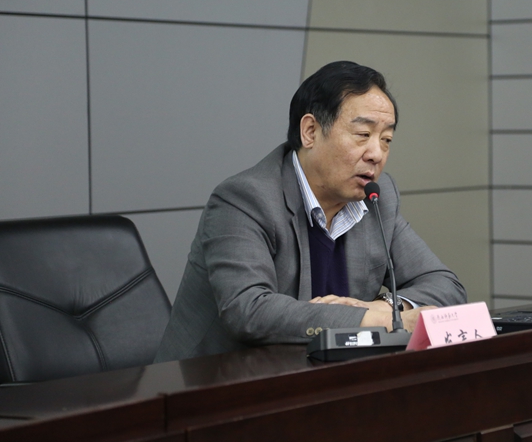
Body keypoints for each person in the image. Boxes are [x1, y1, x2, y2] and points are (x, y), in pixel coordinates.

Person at [154, 61, 467, 362]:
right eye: (363, 135)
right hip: (213, 383)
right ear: (310, 131)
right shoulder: (245, 199)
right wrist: (374, 320)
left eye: (386, 140)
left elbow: (445, 285)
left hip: (322, 375)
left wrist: (385, 307)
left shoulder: (377, 199)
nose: (376, 154)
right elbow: (248, 310)